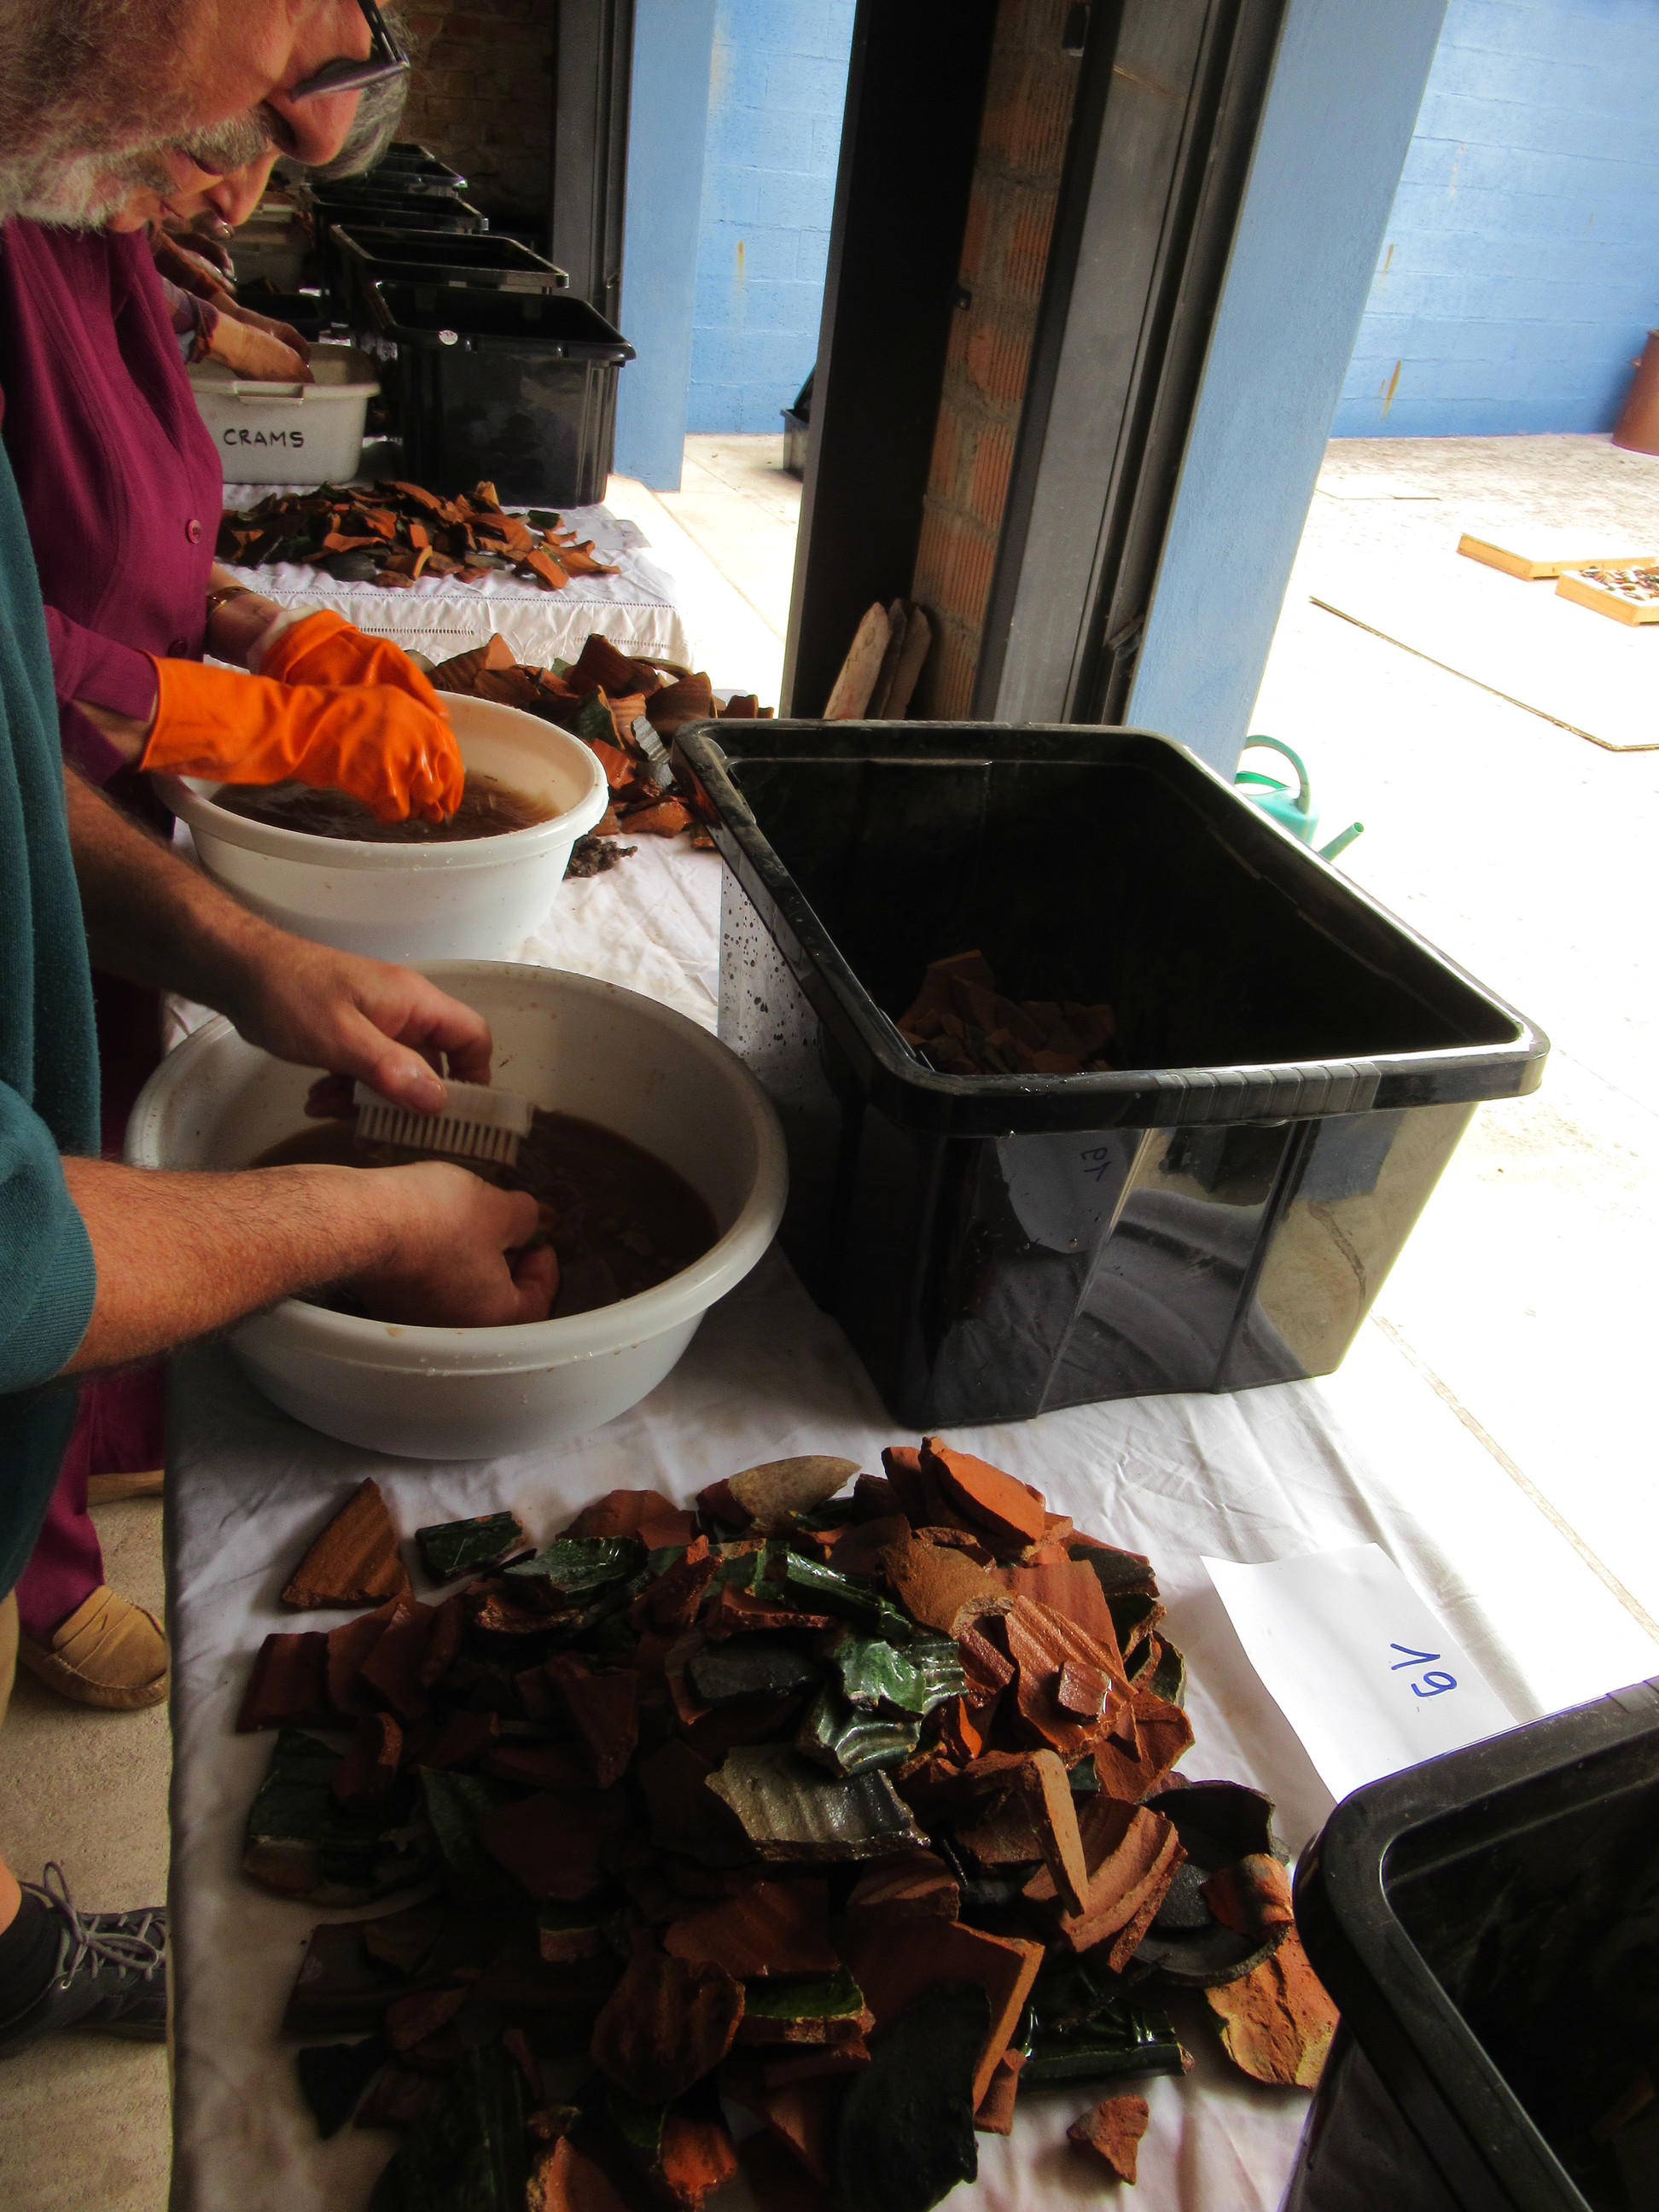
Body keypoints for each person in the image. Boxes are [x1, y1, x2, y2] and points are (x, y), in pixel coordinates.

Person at [0, 0, 555, 2061]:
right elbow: (9, 1244)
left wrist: (252, 956)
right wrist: (378, 1217)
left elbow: (6, 722)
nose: (289, 155)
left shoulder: (77, 177)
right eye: (318, 13)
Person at [0, 104, 451, 1710]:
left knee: (104, 1126)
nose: (246, 191)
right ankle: (39, 1569)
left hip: (80, 846)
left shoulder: (104, 219)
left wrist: (264, 634)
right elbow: (18, 1247)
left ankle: (64, 1502)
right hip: (57, 816)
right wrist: (386, 1216)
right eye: (251, 114)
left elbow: (132, 533)